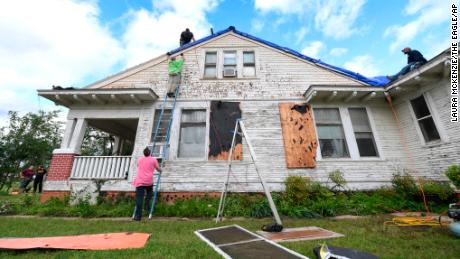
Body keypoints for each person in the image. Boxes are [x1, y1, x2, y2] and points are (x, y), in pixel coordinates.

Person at [132, 147, 162, 221]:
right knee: (149, 193)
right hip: (148, 181)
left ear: (144, 153)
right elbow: (158, 169)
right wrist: (161, 170)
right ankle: (147, 205)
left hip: (139, 181)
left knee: (139, 198)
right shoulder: (153, 159)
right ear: (150, 153)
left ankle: (138, 217)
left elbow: (139, 166)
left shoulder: (140, 160)